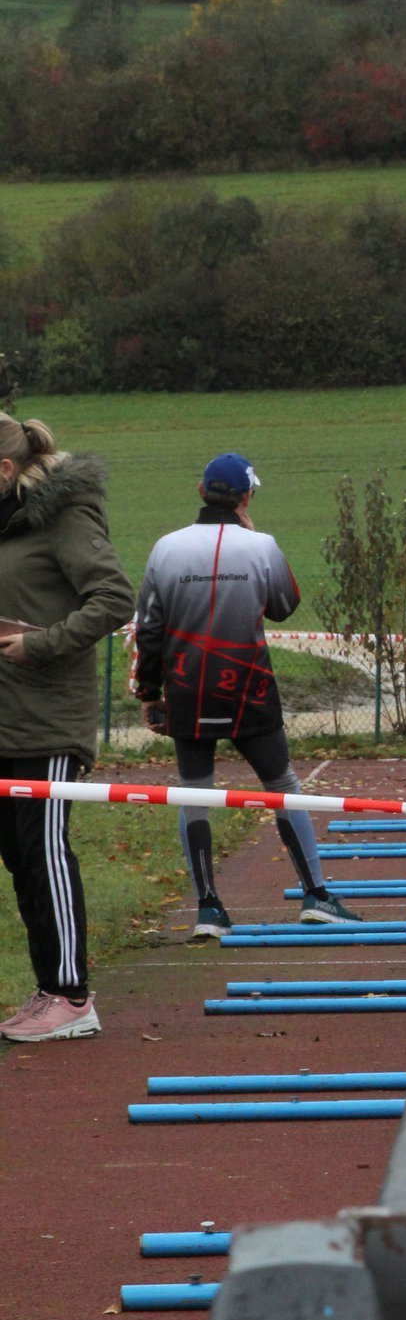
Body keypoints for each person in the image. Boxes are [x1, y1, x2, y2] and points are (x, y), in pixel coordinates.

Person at [134, 452, 359, 936]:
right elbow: (284, 606)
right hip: (248, 689)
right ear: (246, 497)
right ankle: (317, 895)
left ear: (201, 491)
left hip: (188, 691)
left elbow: (148, 629)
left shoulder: (165, 548)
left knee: (194, 795)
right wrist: (255, 541)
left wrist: (148, 692)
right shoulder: (262, 546)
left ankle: (208, 909)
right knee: (283, 787)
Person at [0, 415, 135, 1042]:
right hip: (5, 719)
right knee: (20, 857)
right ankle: (48, 986)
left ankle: (73, 996)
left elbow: (114, 598)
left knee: (45, 850)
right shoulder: (6, 524)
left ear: (5, 469)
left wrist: (41, 644)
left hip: (49, 721)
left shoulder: (64, 516)